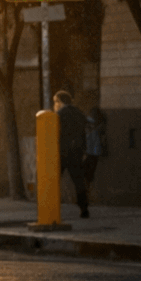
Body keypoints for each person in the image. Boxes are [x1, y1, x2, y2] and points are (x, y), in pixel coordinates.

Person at [53, 90, 90, 218]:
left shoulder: (60, 114)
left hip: (63, 152)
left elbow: (56, 133)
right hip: (77, 152)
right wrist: (84, 149)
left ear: (60, 101)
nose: (54, 105)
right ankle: (84, 208)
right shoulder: (78, 112)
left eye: (55, 102)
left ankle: (51, 207)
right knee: (79, 181)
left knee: (54, 179)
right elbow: (84, 132)